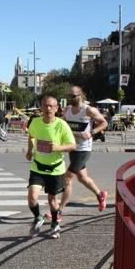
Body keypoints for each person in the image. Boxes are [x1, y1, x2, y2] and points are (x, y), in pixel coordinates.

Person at [46, 86, 107, 223]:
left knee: (67, 178)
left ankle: (59, 211)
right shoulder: (67, 110)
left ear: (81, 96)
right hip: (72, 147)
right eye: (69, 96)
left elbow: (104, 123)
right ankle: (100, 195)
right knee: (83, 178)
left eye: (73, 96)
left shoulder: (88, 110)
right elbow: (62, 125)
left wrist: (92, 132)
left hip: (84, 149)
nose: (71, 98)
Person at [26, 95, 76, 239]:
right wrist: (30, 151)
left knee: (52, 201)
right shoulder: (35, 122)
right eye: (45, 106)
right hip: (38, 167)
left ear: (56, 108)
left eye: (51, 106)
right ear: (41, 107)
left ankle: (55, 224)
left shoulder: (62, 125)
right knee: (32, 197)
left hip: (55, 169)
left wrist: (58, 148)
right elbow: (31, 136)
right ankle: (37, 217)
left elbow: (73, 145)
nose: (48, 108)